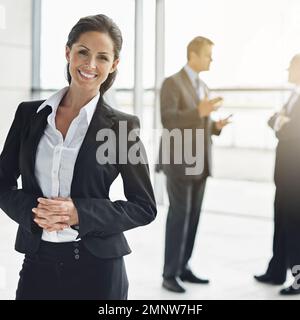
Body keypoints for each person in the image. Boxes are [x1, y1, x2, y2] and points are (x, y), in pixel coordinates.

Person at [0, 14, 156, 300]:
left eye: (102, 57)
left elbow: (144, 206)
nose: (90, 65)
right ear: (68, 52)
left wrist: (79, 213)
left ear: (114, 65)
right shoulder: (28, 116)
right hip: (37, 262)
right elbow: (2, 183)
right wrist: (32, 210)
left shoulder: (122, 128)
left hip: (98, 270)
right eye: (83, 52)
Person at [156, 36, 230, 293]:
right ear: (193, 55)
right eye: (208, 54)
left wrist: (215, 126)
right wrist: (199, 111)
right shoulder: (172, 83)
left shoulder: (204, 87)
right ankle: (169, 274)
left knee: (194, 217)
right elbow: (168, 120)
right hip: (179, 161)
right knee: (179, 217)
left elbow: (202, 123)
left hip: (201, 162)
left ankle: (183, 267)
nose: (212, 59)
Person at [254, 54, 300, 295]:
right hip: (284, 174)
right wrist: (282, 122)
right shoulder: (294, 94)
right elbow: (274, 120)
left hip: (296, 175)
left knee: (294, 225)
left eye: (290, 67)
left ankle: (298, 276)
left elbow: (293, 129)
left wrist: (282, 123)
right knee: (281, 222)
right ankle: (276, 271)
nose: (287, 71)